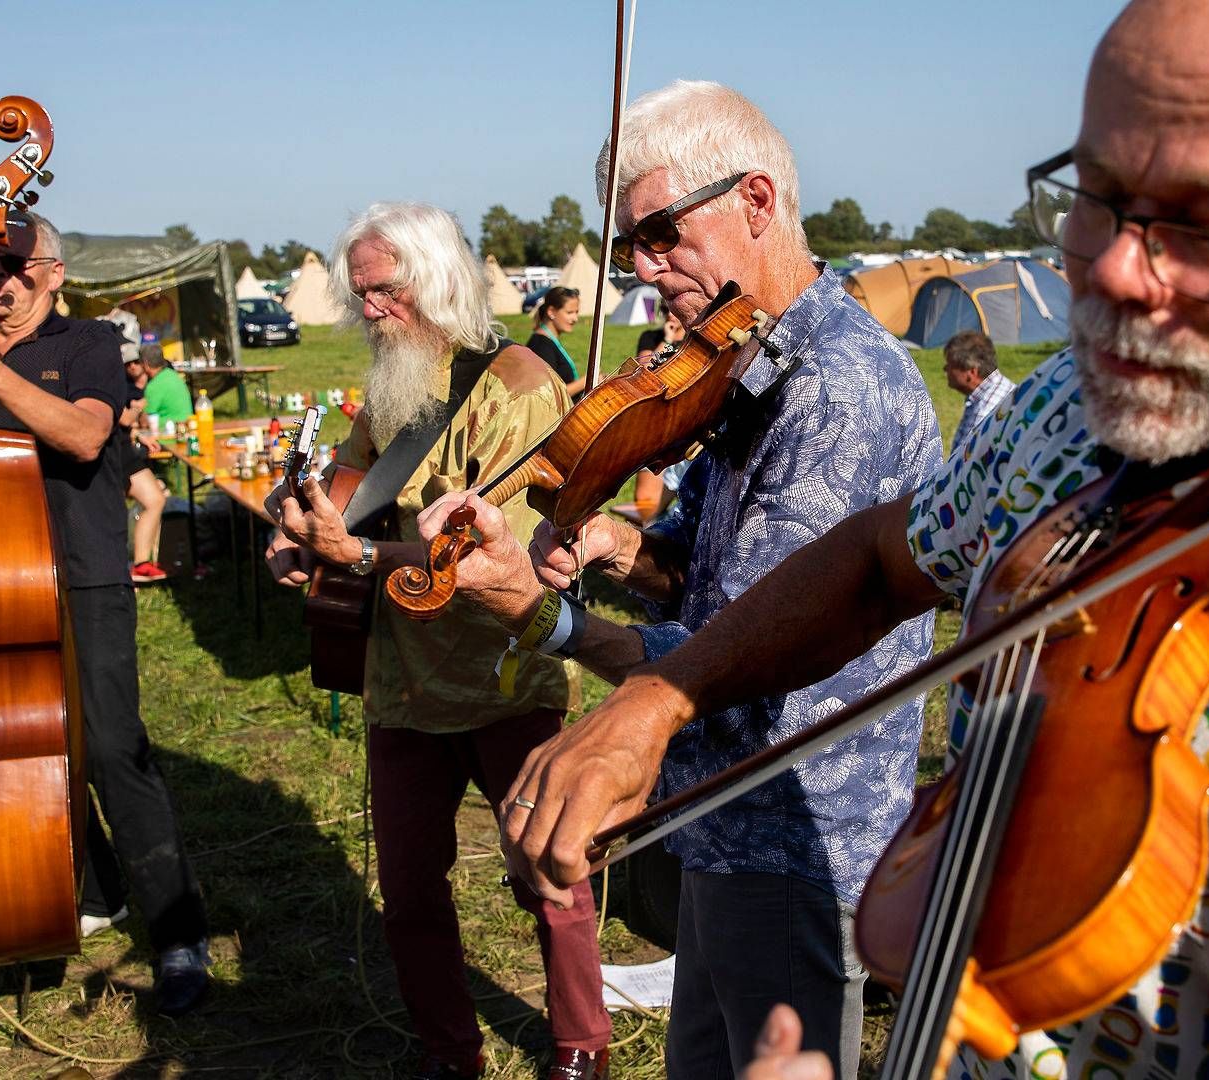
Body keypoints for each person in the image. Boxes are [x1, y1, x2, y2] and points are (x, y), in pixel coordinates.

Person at [499, 4, 1209, 1078]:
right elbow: (879, 561)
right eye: (1095, 194)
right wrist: (663, 699)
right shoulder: (1082, 415)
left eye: (1207, 222)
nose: (1104, 266)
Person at [417, 79, 941, 1080]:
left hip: (795, 833)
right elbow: (696, 577)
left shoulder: (836, 386)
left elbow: (753, 649)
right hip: (720, 820)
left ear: (755, 202)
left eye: (661, 232)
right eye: (633, 243)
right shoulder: (744, 367)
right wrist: (616, 545)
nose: (645, 271)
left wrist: (547, 619)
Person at [263, 202, 610, 1080]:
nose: (370, 310)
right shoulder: (393, 382)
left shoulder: (523, 385)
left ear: (439, 281)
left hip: (503, 679)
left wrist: (363, 550)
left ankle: (580, 1047)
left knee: (551, 874)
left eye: (386, 291)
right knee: (411, 893)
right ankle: (450, 1053)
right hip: (404, 687)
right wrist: (300, 528)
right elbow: (348, 487)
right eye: (362, 293)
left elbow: (505, 559)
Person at [0, 211, 210, 1015]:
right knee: (25, 745)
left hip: (86, 575)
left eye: (19, 268)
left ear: (55, 274)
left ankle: (178, 933)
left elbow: (86, 438)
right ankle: (92, 892)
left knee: (109, 747)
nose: (3, 281)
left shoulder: (88, 346)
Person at [632, 309, 690, 522]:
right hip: (654, 424)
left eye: (673, 310)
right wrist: (667, 341)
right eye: (665, 310)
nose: (670, 315)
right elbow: (643, 373)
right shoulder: (651, 337)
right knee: (645, 505)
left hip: (684, 422)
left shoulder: (695, 340)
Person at [121, 343, 170, 583]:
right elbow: (120, 415)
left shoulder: (117, 379)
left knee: (155, 499)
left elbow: (123, 422)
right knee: (113, 513)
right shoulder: (103, 375)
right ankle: (117, 570)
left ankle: (141, 564)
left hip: (123, 450)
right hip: (107, 456)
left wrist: (140, 435)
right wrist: (136, 409)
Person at [940, 330, 1013, 446]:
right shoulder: (998, 388)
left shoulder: (986, 408)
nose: (945, 369)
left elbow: (966, 460)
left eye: (950, 365)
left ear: (972, 372)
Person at [526, 286, 585, 398]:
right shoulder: (541, 346)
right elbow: (549, 395)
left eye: (576, 312)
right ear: (551, 312)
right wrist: (584, 382)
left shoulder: (549, 341)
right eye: (569, 312)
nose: (575, 318)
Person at [140, 342, 193, 424]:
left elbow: (144, 422)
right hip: (188, 424)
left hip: (168, 431)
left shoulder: (154, 385)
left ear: (146, 364)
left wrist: (137, 409)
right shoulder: (173, 374)